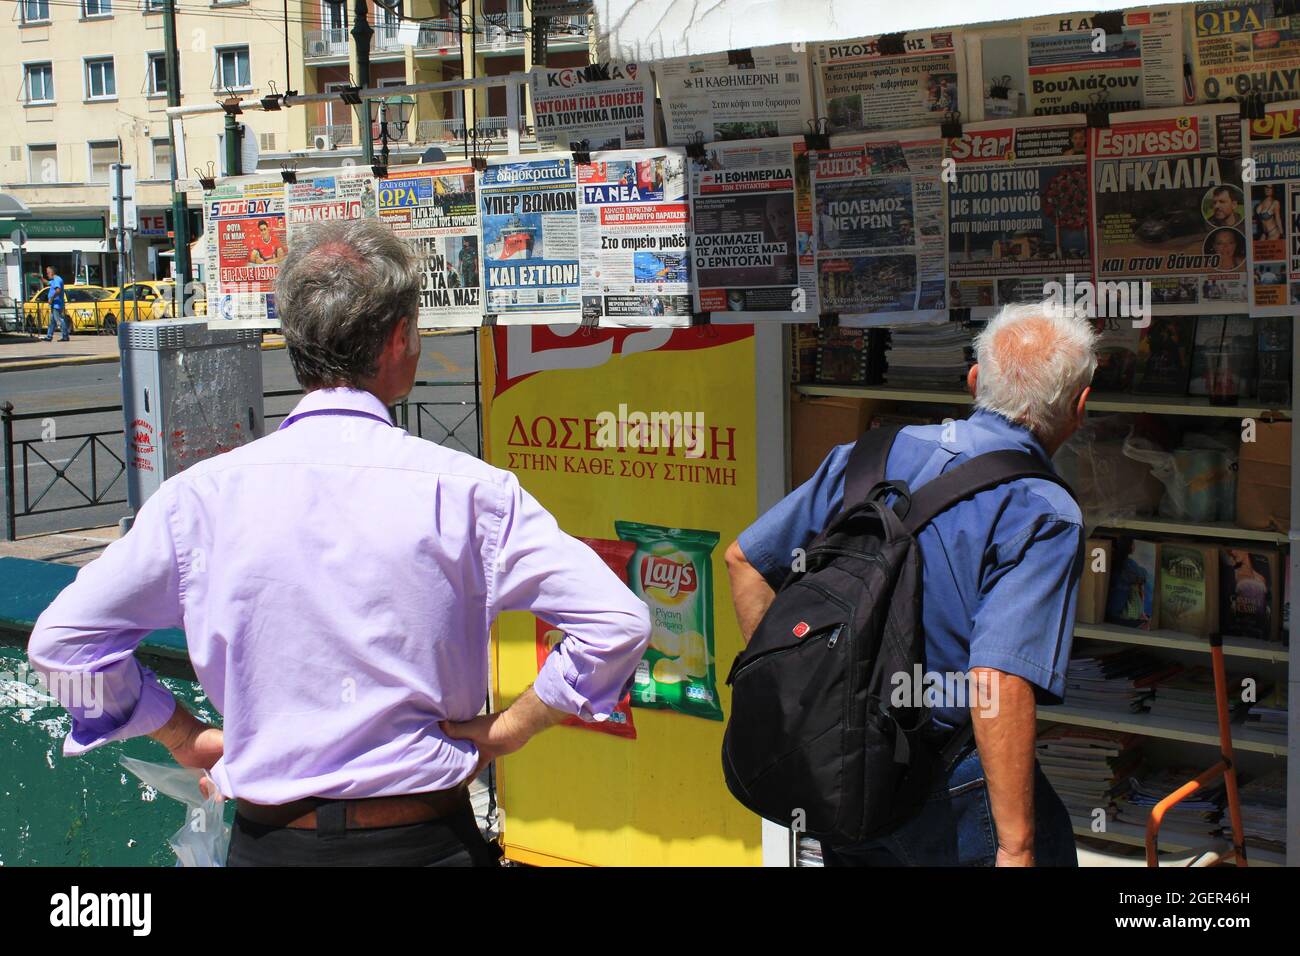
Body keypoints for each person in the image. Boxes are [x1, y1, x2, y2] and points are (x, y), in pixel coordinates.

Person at [27, 218, 651, 867]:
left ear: (295, 341)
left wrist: (178, 733)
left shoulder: (201, 498)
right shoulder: (471, 493)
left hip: (270, 849)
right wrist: (508, 732)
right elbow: (617, 624)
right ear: (399, 339)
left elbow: (63, 648)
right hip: (427, 845)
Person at [725, 301, 1097, 867]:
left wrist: (802, 703)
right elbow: (997, 681)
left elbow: (744, 561)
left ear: (974, 381)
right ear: (1080, 407)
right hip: (949, 780)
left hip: (842, 765)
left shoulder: (870, 455)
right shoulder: (1044, 510)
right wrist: (1017, 848)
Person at [42, 265, 69, 341]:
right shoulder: (54, 280)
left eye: (48, 273)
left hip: (57, 304)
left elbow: (58, 290)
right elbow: (47, 283)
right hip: (54, 304)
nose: (47, 275)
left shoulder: (57, 279)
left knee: (59, 320)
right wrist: (39, 277)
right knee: (52, 321)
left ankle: (65, 336)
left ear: (52, 272)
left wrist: (51, 298)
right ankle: (49, 336)